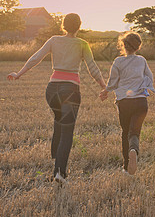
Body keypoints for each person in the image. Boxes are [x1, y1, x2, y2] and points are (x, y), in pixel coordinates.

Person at [7, 13, 106, 183]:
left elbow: (35, 58)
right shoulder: (83, 44)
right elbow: (92, 68)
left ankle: (55, 154)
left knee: (59, 120)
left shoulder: (54, 40)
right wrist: (104, 86)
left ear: (63, 25)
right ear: (79, 26)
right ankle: (60, 172)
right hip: (71, 91)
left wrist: (18, 74)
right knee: (67, 131)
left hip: (52, 91)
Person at [100, 32, 155, 175]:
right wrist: (144, 87)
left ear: (123, 45)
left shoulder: (118, 61)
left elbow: (112, 82)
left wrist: (105, 91)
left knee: (125, 133)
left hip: (124, 102)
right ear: (138, 47)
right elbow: (150, 77)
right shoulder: (142, 60)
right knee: (134, 133)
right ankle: (134, 150)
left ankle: (126, 167)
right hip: (141, 102)